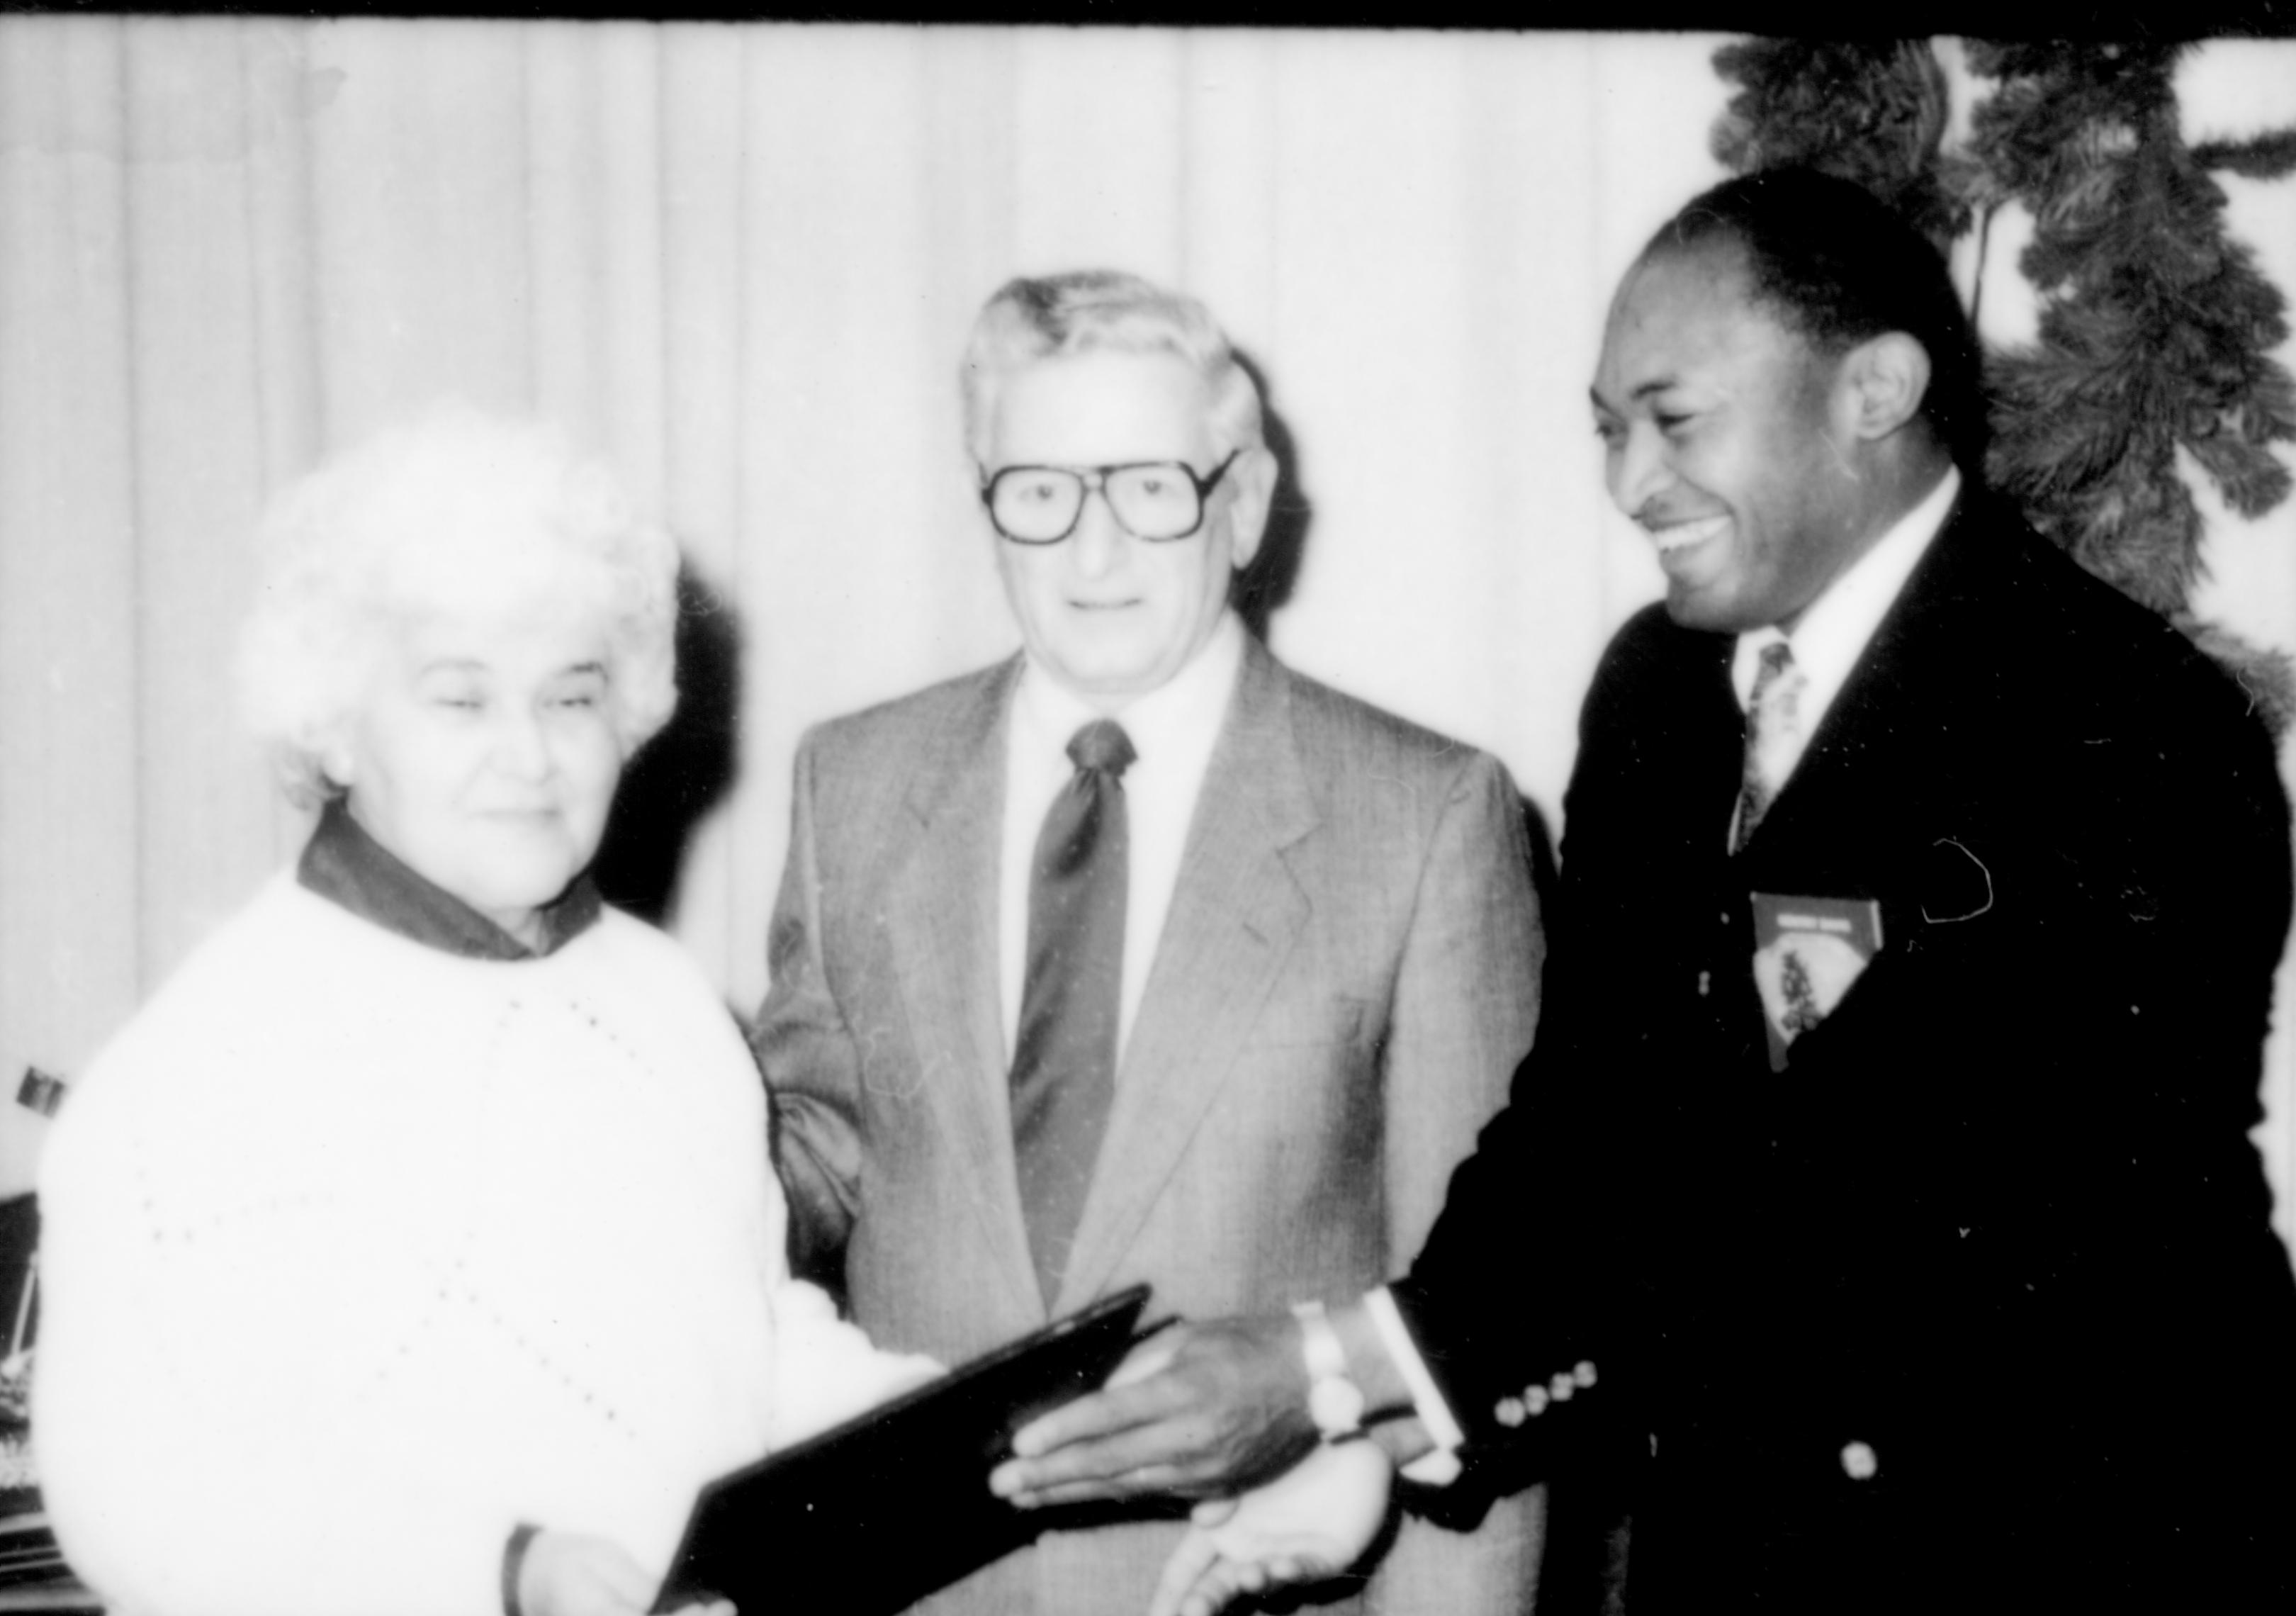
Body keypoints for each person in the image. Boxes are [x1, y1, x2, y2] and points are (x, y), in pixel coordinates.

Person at [991, 170, 2296, 1613]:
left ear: (1874, 389)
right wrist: (1394, 1422)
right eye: (1609, 430)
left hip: (2065, 1558)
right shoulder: (1661, 689)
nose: (1627, 483)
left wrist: (1349, 1370)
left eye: (1675, 421)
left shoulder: (2122, 724)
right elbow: (1592, 1111)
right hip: (1741, 1551)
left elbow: (1863, 1193)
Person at [34, 405, 936, 1616]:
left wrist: (961, 1426)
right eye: (460, 702)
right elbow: (138, 1501)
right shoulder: (201, 1066)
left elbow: (753, 1346)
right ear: (334, 726)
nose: (530, 758)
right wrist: (501, 1570)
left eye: (569, 700)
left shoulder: (662, 1002)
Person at [753, 270, 1546, 1615]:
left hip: (1244, 1589)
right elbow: (818, 1155)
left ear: (1239, 506)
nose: (1092, 551)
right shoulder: (855, 782)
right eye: (1041, 490)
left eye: (1150, 488)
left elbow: (1484, 1303)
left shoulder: (1427, 817)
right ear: (985, 506)